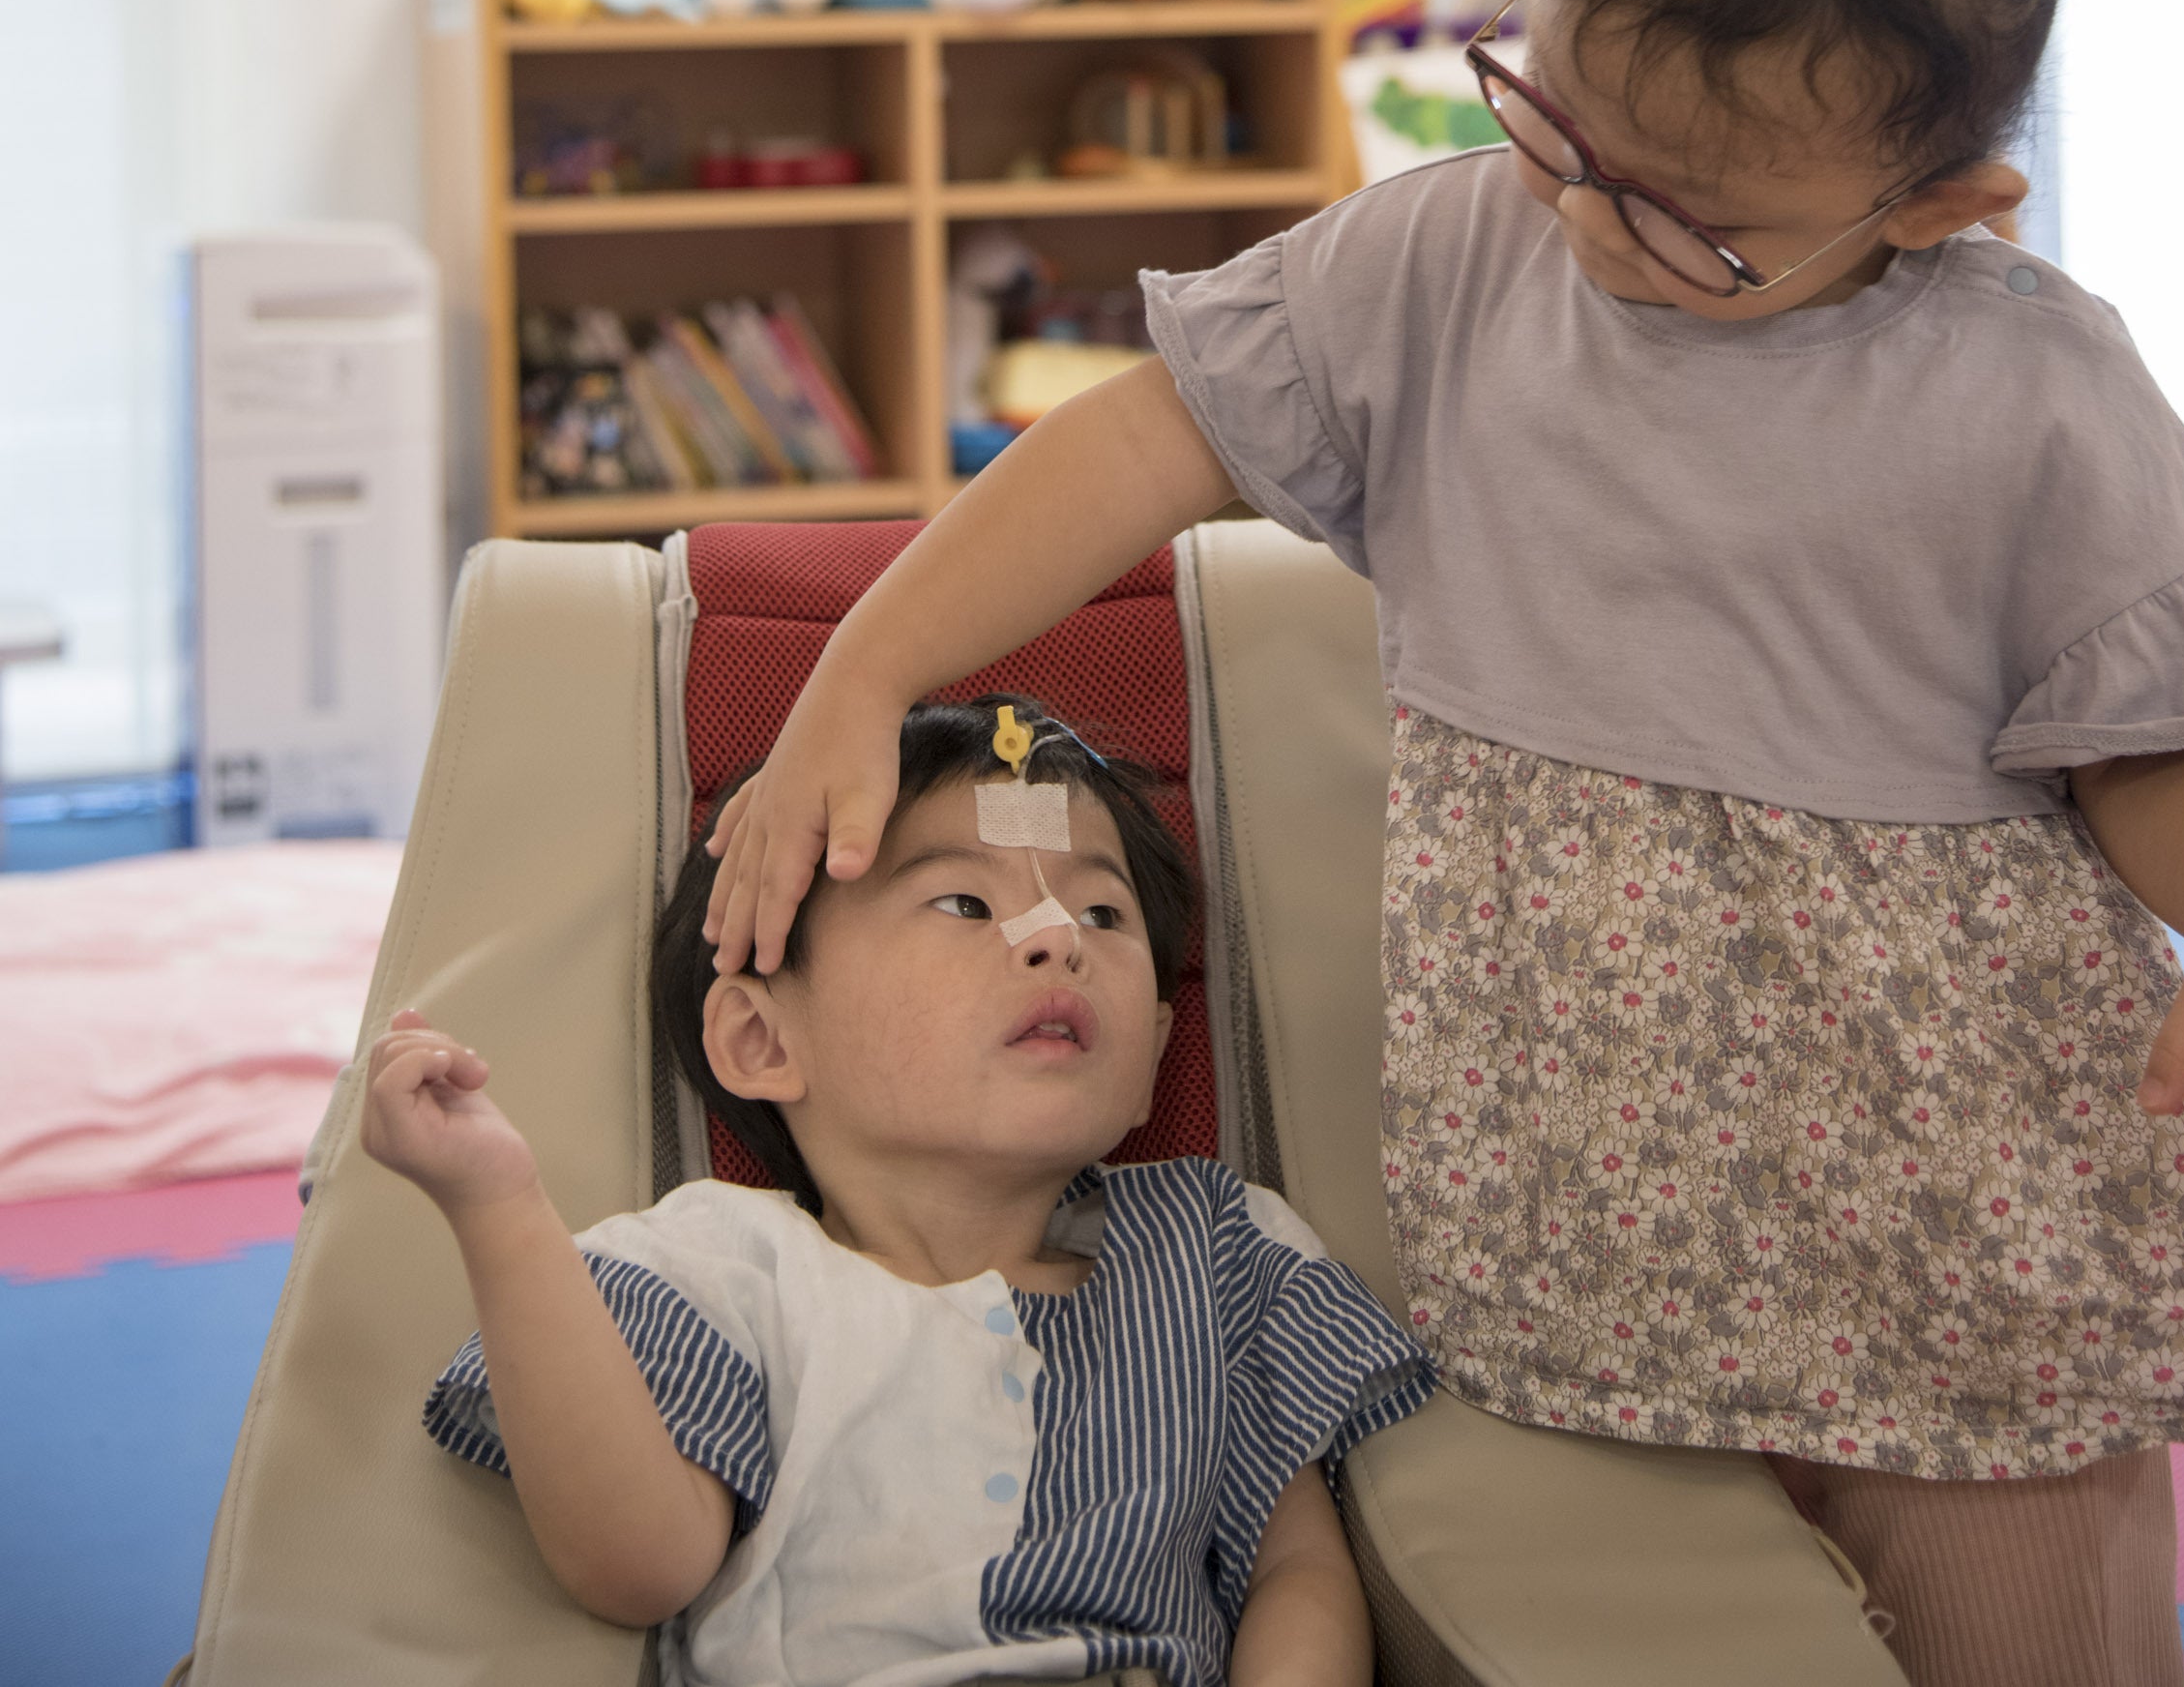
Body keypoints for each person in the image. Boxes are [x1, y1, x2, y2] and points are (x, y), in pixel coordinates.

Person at [704, 0, 2184, 1687]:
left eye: (1698, 220)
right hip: (1603, 1240)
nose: (1597, 227)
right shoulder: (1443, 262)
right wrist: (864, 664)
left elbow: (2148, 745)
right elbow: (1127, 445)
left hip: (1966, 1241)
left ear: (1937, 205)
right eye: (1559, 129)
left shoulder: (2029, 387)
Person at [364, 694, 1431, 1687]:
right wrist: (500, 1207)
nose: (1056, 938)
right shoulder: (719, 1270)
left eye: (1104, 914)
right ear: (762, 1039)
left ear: (1153, 1050)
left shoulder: (1214, 1254)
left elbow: (1297, 1570)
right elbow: (637, 1565)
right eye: (966, 901)